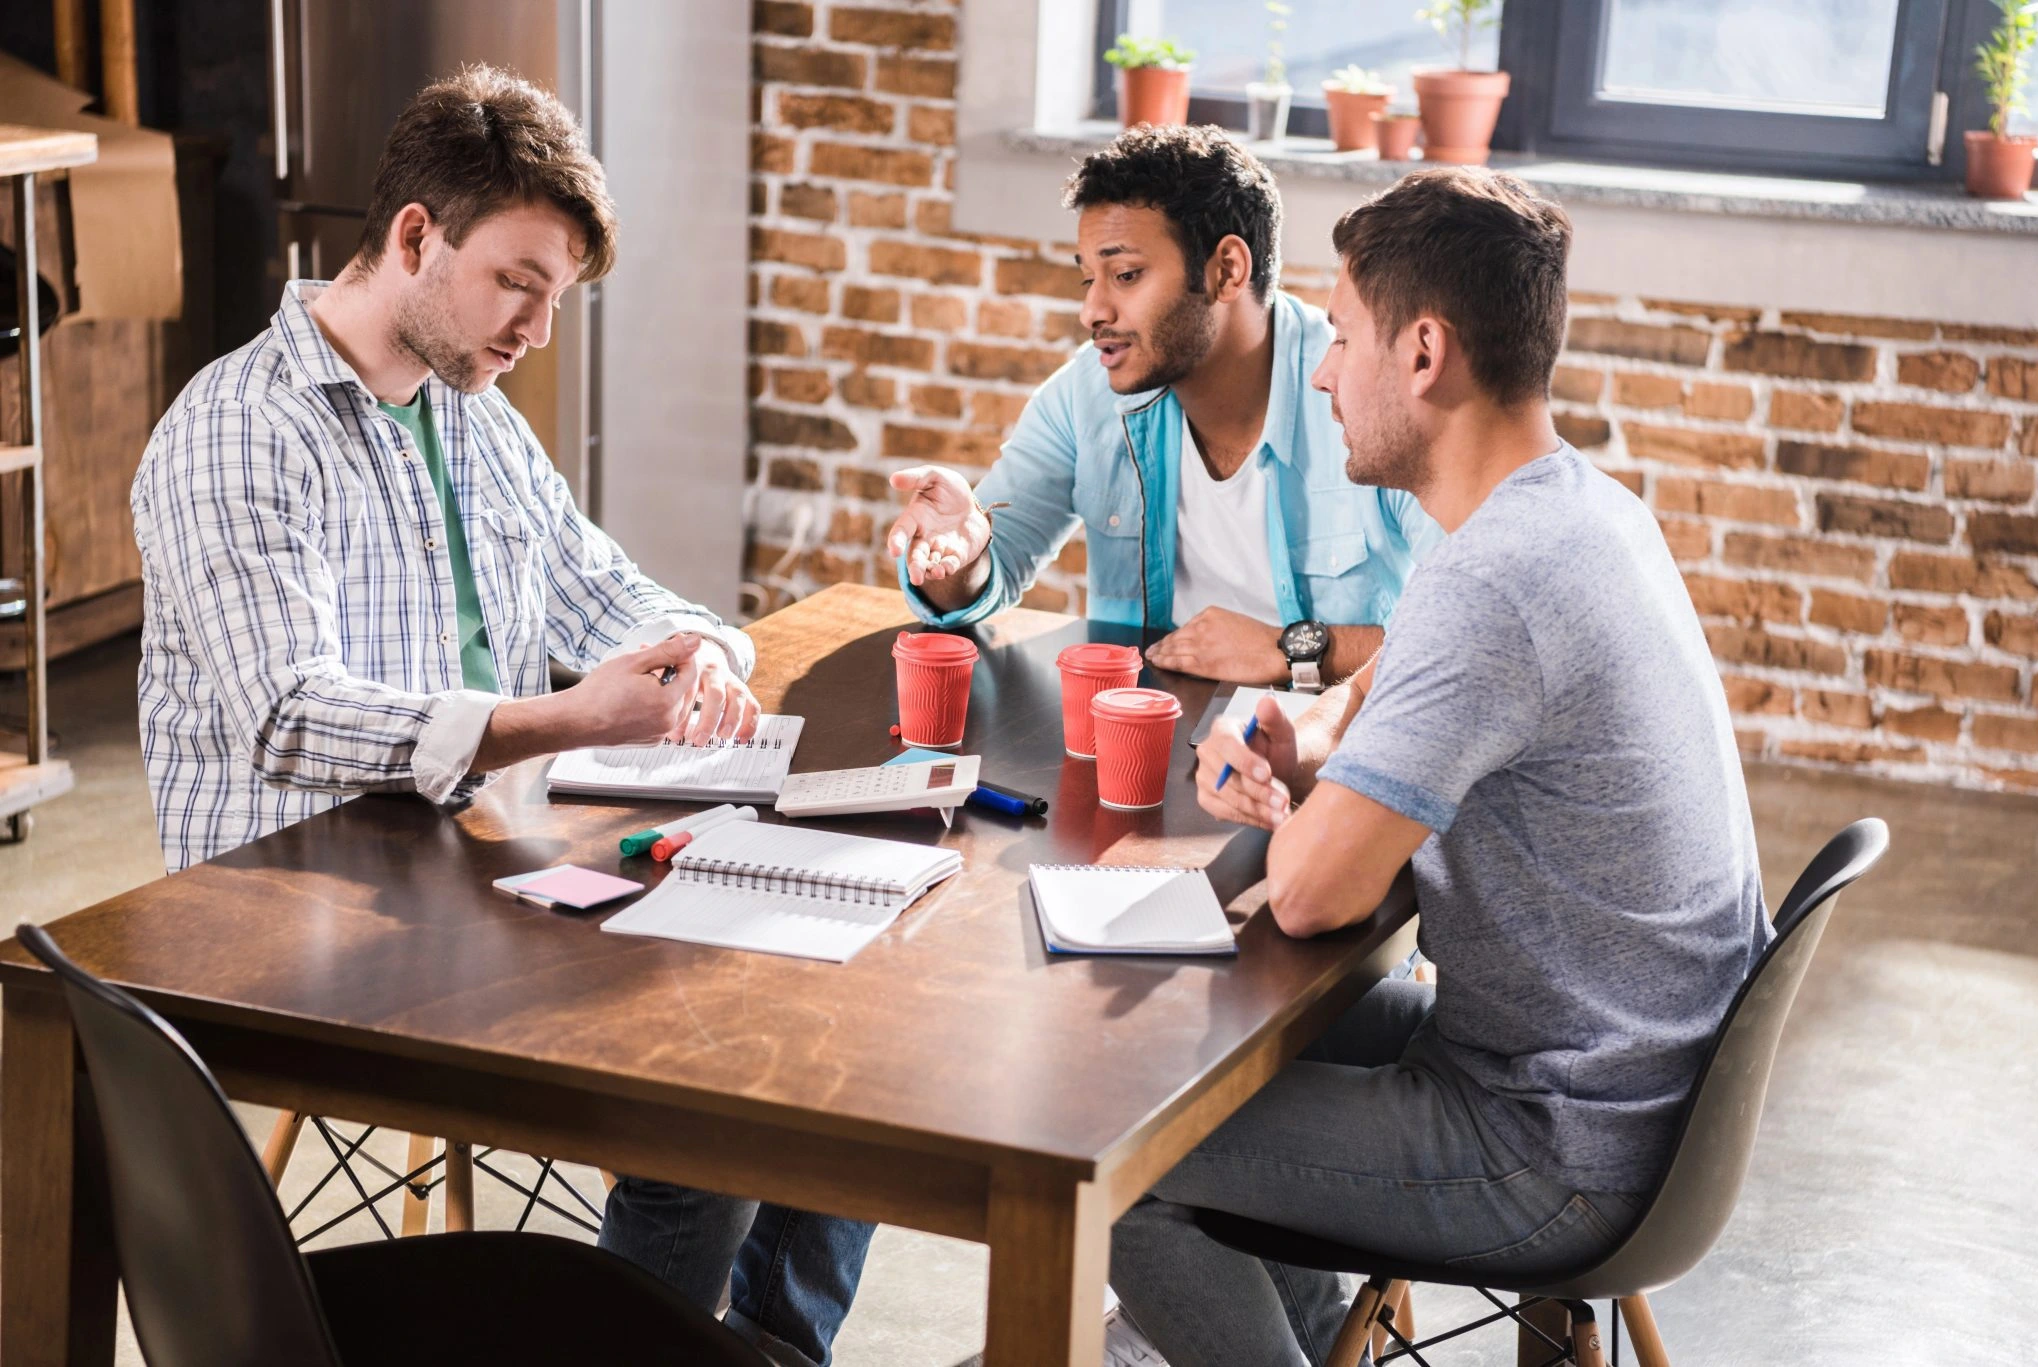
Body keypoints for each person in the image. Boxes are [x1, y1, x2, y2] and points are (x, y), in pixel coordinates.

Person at [130, 66, 869, 1367]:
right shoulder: (240, 431)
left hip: (476, 866)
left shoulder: (472, 416)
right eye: (517, 282)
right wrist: (563, 717)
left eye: (558, 298)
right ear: (415, 236)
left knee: (822, 1016)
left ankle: (758, 1349)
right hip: (293, 914)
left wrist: (702, 648)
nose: (537, 327)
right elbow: (287, 712)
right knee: (718, 1105)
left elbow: (603, 587)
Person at [1105, 168, 1774, 1367]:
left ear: (1421, 352)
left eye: (1341, 336)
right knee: (1235, 1045)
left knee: (1117, 1151)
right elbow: (1364, 712)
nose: (1318, 371)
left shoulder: (1493, 582)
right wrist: (1305, 754)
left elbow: (1312, 894)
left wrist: (1314, 812)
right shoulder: (1575, 510)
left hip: (1554, 1137)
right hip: (1639, 1086)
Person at [885, 125, 1439, 692]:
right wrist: (961, 557)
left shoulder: (1366, 392)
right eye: (1088, 278)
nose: (1091, 310)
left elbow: (1466, 636)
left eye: (1125, 275)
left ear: (1227, 270)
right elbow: (982, 581)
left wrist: (1291, 647)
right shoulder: (1086, 392)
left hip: (1327, 748)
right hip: (1150, 736)